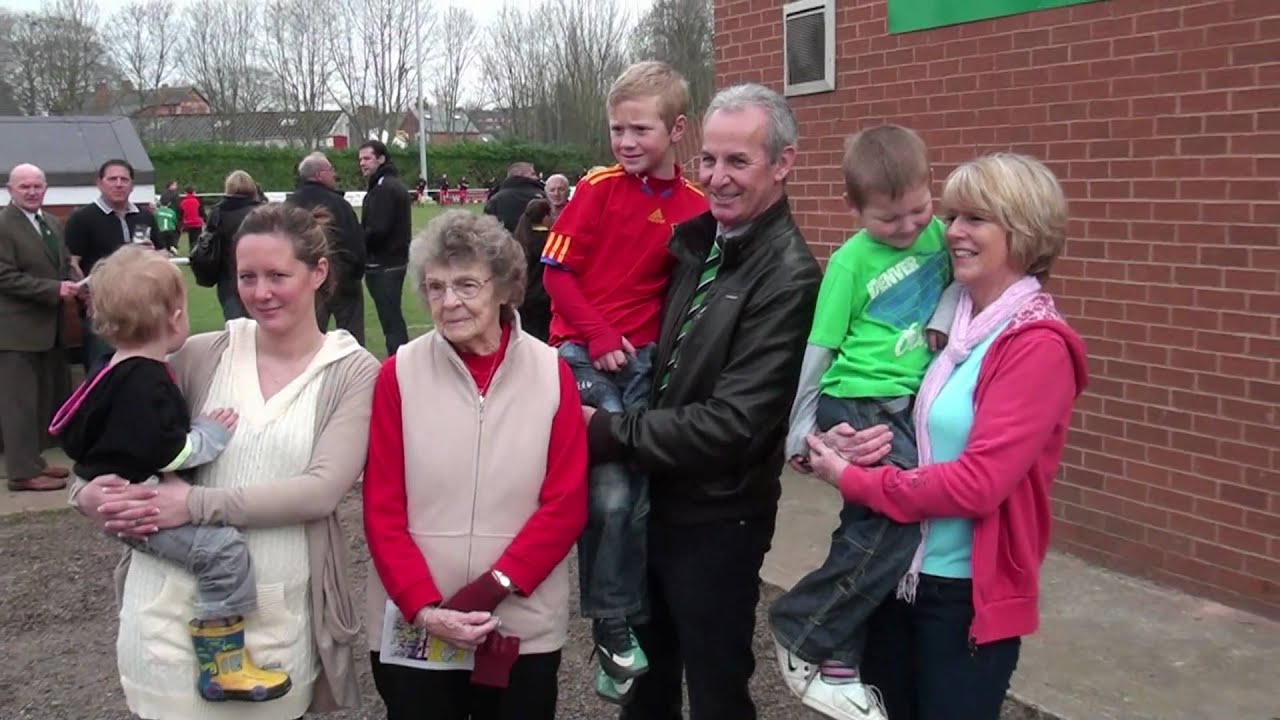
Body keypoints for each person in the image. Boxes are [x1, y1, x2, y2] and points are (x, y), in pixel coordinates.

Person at [803, 153, 1088, 720]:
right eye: (953, 215)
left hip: (961, 599)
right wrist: (840, 440)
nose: (952, 231)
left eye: (975, 218)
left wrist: (861, 481)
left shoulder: (1037, 346)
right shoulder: (944, 325)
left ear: (1023, 231)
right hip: (895, 577)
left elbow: (979, 485)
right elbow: (889, 415)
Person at [71, 203, 380, 719]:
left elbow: (320, 491)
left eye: (278, 275)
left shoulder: (350, 372)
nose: (260, 293)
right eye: (248, 277)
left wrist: (192, 504)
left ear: (318, 272)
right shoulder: (199, 353)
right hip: (167, 616)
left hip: (276, 620)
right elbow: (106, 438)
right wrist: (85, 494)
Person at [581, 83, 821, 719]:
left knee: (716, 690)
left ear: (783, 164)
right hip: (653, 499)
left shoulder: (789, 277)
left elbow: (733, 426)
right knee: (645, 688)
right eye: (710, 160)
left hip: (717, 520)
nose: (717, 178)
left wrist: (606, 433)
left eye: (738, 162)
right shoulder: (699, 243)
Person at [364, 210, 588, 719]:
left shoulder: (553, 374)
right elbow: (382, 507)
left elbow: (566, 503)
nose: (449, 302)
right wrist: (424, 606)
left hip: (517, 622)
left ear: (505, 288)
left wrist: (490, 589)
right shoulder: (398, 375)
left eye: (466, 284)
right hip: (419, 617)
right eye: (435, 287)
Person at [769, 125, 958, 720]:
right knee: (895, 523)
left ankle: (839, 661)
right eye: (887, 219)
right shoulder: (851, 262)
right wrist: (798, 433)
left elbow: (960, 285)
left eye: (917, 211)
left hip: (907, 402)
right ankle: (802, 623)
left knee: (868, 529)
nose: (906, 229)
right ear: (855, 209)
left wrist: (946, 316)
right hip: (858, 401)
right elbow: (819, 351)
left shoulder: (941, 237)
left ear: (933, 192)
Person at [48, 245, 293, 703]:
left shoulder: (109, 369)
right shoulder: (149, 379)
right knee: (223, 552)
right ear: (176, 317)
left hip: (123, 499)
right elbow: (167, 450)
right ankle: (224, 662)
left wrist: (94, 481)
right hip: (141, 508)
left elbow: (77, 438)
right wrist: (209, 435)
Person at [540, 60, 709, 704]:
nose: (627, 141)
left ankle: (633, 628)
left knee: (639, 497)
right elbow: (554, 274)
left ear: (677, 129)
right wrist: (600, 335)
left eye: (640, 128)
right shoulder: (596, 189)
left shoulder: (697, 207)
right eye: (618, 129)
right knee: (611, 493)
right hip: (584, 355)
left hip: (644, 366)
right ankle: (611, 626)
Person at [0, 163, 75, 492]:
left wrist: (75, 283)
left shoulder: (50, 224)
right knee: (18, 404)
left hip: (48, 329)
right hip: (15, 332)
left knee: (40, 401)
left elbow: (61, 266)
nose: (32, 192)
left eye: (37, 186)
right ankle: (20, 473)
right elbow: (4, 276)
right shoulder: (3, 225)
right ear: (10, 190)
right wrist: (52, 290)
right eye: (24, 187)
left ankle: (34, 461)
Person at [64, 159, 161, 371]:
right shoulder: (82, 218)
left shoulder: (145, 217)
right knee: (104, 373)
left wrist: (155, 254)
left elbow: (162, 255)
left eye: (124, 179)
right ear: (99, 183)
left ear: (132, 185)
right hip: (103, 312)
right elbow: (72, 263)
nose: (119, 184)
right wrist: (88, 298)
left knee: (142, 369)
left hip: (143, 308)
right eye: (112, 179)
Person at [290, 152, 367, 345]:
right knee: (351, 340)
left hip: (306, 281)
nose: (335, 175)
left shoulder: (290, 205)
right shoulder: (339, 205)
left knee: (308, 339)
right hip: (343, 281)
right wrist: (354, 274)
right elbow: (356, 244)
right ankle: (355, 373)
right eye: (331, 170)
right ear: (319, 175)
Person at [359, 140, 412, 356]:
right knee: (391, 318)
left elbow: (377, 229)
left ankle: (399, 362)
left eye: (367, 158)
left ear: (381, 159)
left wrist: (359, 244)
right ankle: (401, 361)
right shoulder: (387, 184)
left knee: (391, 320)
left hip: (383, 264)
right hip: (391, 261)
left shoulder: (384, 188)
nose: (362, 163)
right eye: (360, 159)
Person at [206, 170, 266, 322]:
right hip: (259, 274)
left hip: (228, 278)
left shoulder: (217, 213)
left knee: (236, 327)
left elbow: (209, 242)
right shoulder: (262, 212)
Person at [512, 198, 554, 342]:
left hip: (524, 300)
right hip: (545, 300)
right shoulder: (551, 242)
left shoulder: (519, 241)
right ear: (546, 216)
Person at [483, 162, 545, 233]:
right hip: (536, 242)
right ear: (520, 175)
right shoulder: (542, 196)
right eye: (532, 174)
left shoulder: (495, 198)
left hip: (505, 242)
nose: (536, 177)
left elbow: (487, 230)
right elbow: (545, 226)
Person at [179, 185, 205, 251]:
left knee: (190, 239)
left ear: (185, 193)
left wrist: (180, 223)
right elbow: (201, 212)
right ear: (194, 192)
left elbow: (181, 213)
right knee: (197, 239)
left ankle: (191, 251)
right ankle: (197, 251)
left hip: (188, 223)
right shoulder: (198, 201)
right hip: (197, 223)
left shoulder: (183, 202)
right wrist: (205, 220)